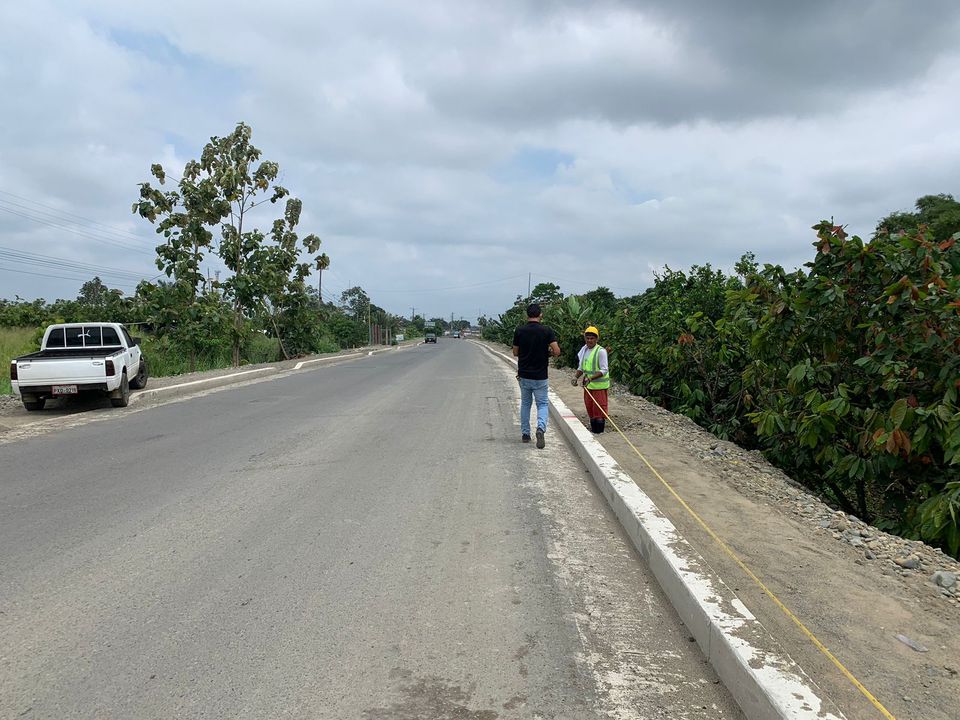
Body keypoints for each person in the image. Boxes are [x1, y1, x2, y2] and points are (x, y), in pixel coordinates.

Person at [512, 304, 561, 448]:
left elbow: (515, 352)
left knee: (526, 404)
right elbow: (557, 351)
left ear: (527, 315)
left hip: (524, 375)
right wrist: (547, 353)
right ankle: (540, 428)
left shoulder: (519, 330)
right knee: (542, 404)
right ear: (540, 315)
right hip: (540, 376)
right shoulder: (547, 331)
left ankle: (525, 434)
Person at [572, 326, 609, 433]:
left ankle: (599, 432)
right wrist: (576, 377)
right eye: (587, 338)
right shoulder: (584, 350)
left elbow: (604, 370)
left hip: (599, 387)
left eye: (592, 338)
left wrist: (591, 378)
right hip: (588, 386)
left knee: (599, 410)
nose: (589, 340)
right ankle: (593, 431)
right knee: (590, 408)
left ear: (596, 339)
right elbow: (581, 367)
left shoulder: (600, 351)